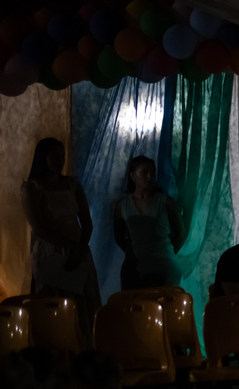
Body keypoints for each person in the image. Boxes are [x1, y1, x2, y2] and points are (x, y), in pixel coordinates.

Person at [20, 137, 102, 340]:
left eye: (62, 156)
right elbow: (39, 228)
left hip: (77, 251)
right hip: (50, 253)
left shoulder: (72, 185)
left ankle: (85, 348)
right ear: (43, 158)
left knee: (83, 306)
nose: (60, 161)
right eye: (55, 156)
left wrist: (80, 248)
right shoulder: (32, 187)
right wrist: (72, 247)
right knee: (53, 306)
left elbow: (87, 222)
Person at [113, 156, 185, 289]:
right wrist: (135, 254)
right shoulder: (122, 206)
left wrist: (166, 254)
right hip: (134, 268)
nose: (149, 176)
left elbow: (180, 233)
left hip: (164, 267)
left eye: (152, 172)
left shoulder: (166, 202)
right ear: (133, 176)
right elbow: (119, 237)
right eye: (144, 172)